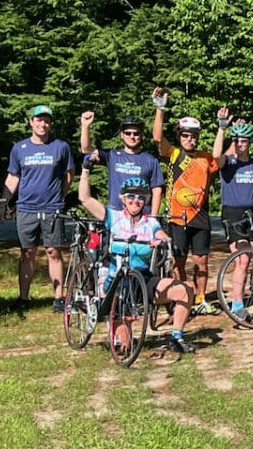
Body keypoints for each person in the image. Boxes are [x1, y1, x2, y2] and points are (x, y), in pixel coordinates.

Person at [77, 167, 196, 354]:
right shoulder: (113, 217)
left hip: (142, 278)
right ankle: (115, 322)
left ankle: (177, 337)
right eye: (131, 196)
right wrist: (85, 171)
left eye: (141, 197)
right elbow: (85, 199)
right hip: (116, 281)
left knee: (185, 290)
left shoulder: (149, 222)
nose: (136, 201)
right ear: (123, 199)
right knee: (125, 348)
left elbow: (162, 235)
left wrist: (162, 241)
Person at [152, 87, 220, 315]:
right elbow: (157, 138)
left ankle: (200, 299)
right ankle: (181, 299)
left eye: (193, 136)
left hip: (200, 217)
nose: (189, 139)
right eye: (185, 135)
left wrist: (221, 129)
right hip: (176, 217)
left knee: (201, 262)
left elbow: (219, 157)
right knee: (178, 262)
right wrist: (160, 109)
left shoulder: (205, 157)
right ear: (179, 136)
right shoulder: (173, 154)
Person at [4, 105, 75, 313]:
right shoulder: (19, 148)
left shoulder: (60, 147)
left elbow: (69, 174)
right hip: (26, 208)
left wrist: (61, 195)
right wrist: (4, 200)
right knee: (27, 253)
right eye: (38, 120)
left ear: (50, 124)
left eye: (46, 121)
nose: (42, 124)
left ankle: (59, 298)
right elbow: (13, 176)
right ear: (31, 122)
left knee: (53, 251)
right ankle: (23, 298)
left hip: (52, 207)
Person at [211, 110, 253, 318]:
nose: (241, 144)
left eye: (244, 140)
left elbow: (250, 191)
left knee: (247, 259)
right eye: (238, 141)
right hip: (233, 212)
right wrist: (223, 128)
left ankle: (241, 297)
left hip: (251, 211)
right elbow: (216, 156)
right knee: (241, 259)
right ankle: (237, 304)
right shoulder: (229, 164)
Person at [79, 112, 164, 216]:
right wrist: (85, 126)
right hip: (116, 216)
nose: (132, 136)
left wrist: (153, 218)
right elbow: (86, 149)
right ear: (122, 135)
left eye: (136, 133)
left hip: (141, 218)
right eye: (128, 133)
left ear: (141, 136)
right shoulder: (113, 155)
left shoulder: (150, 160)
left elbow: (157, 190)